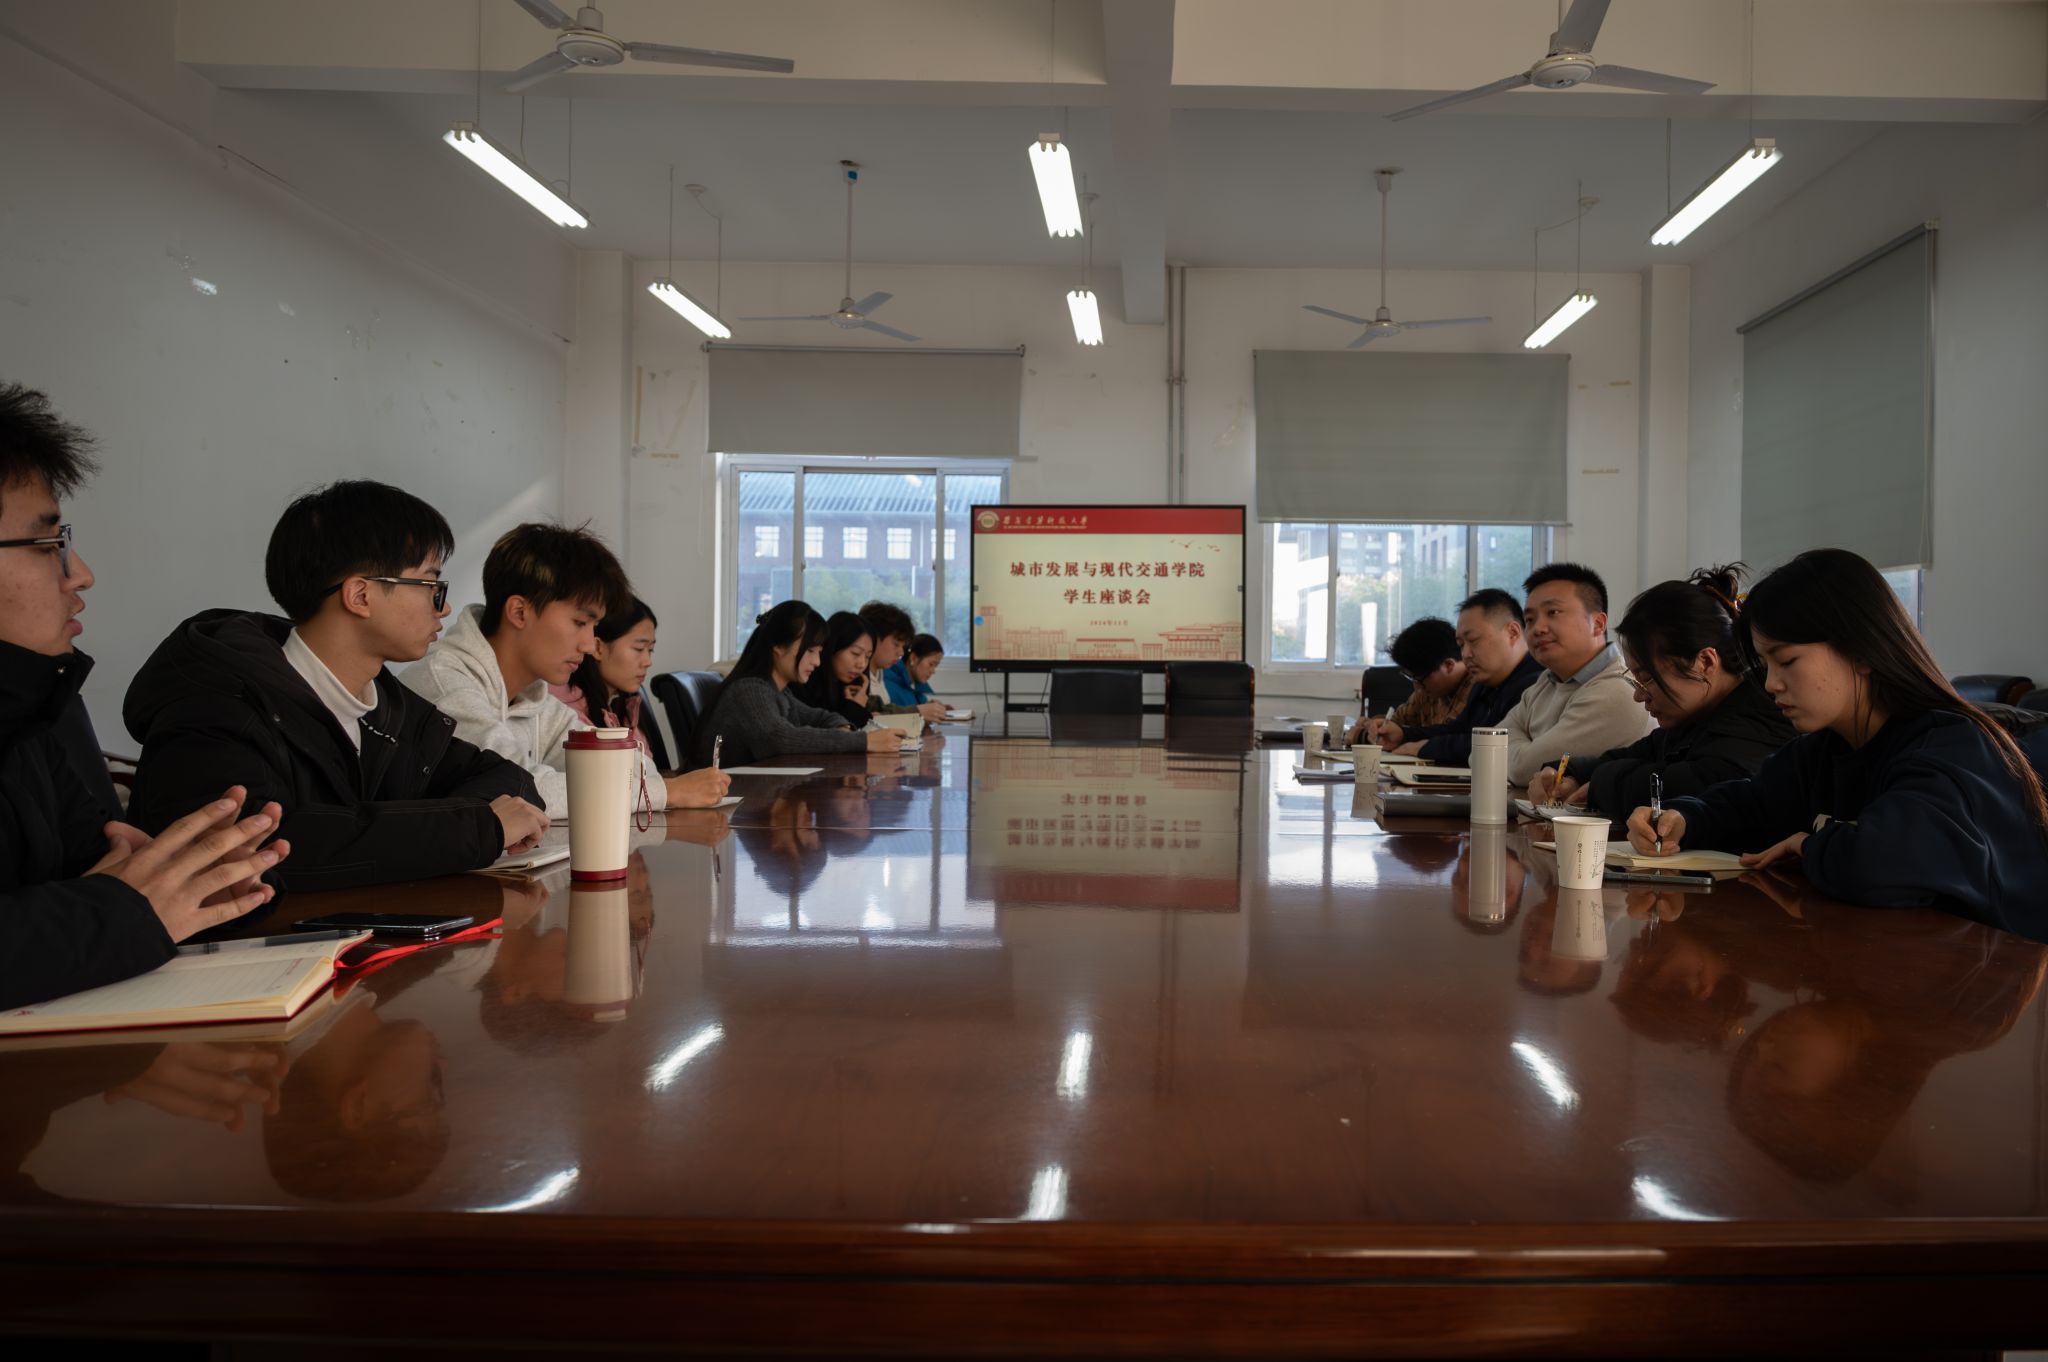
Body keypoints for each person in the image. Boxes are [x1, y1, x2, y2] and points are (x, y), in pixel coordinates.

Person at [0, 384, 291, 1011]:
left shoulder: (35, 706)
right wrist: (124, 910)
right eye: (48, 545)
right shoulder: (223, 683)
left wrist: (196, 883)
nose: (81, 574)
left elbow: (104, 866)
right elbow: (114, 901)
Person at [124, 480, 549, 893]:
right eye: (431, 586)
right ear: (360, 596)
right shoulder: (218, 706)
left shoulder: (387, 709)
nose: (445, 606)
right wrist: (475, 828)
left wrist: (462, 826)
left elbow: (509, 779)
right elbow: (265, 853)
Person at [1628, 548, 2048, 940]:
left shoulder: (1953, 747)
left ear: (1861, 651)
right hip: (1893, 964)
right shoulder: (1826, 749)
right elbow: (1751, 803)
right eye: (1766, 665)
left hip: (1994, 974)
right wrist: (1684, 819)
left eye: (1787, 661)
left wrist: (1807, 845)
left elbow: (1881, 864)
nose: (1771, 684)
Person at [402, 523, 728, 819]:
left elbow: (633, 764)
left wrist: (649, 787)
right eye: (580, 622)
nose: (588, 644)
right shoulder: (446, 685)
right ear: (519, 611)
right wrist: (667, 792)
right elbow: (519, 790)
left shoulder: (533, 698)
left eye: (594, 626)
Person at [1526, 565, 1795, 816]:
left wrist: (1600, 784)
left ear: (1705, 662)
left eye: (1647, 679)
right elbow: (1635, 755)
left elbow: (1692, 785)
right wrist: (1572, 773)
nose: (1638, 695)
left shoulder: (1760, 719)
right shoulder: (1694, 717)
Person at [691, 601, 901, 769]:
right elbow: (779, 739)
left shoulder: (779, 691)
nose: (817, 662)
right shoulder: (749, 690)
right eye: (810, 651)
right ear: (778, 646)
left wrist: (843, 728)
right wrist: (864, 742)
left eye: (819, 652)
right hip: (717, 801)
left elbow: (821, 717)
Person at [1501, 563, 1654, 786]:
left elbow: (1524, 770)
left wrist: (1518, 746)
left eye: (1553, 612)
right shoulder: (1548, 680)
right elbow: (1482, 750)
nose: (1538, 628)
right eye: (1530, 619)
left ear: (1598, 624)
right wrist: (1521, 751)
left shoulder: (1618, 691)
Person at [1365, 590, 1542, 764]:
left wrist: (1426, 748)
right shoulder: (1484, 684)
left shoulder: (1535, 684)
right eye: (1461, 645)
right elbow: (1459, 729)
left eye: (1473, 641)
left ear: (1513, 632)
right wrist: (1404, 735)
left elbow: (1497, 744)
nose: (1465, 654)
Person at [551, 595, 665, 772]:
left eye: (650, 650)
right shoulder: (565, 710)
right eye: (638, 648)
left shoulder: (624, 703)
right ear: (597, 648)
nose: (647, 661)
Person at [1348, 617, 1470, 744]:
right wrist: (1372, 725)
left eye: (1420, 679)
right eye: (1411, 678)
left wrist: (1364, 736)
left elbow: (1452, 740)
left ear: (1448, 665)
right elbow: (1396, 722)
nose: (1417, 688)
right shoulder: (1427, 691)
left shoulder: (1475, 688)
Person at [857, 600, 947, 723]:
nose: (901, 653)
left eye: (902, 646)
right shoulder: (857, 675)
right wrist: (918, 712)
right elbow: (871, 719)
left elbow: (881, 713)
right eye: (896, 644)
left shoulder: (879, 672)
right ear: (874, 637)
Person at [791, 610, 877, 728]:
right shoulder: (803, 683)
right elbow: (827, 736)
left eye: (867, 656)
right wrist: (855, 707)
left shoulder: (853, 687)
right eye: (855, 653)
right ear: (833, 647)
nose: (862, 664)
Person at [884, 632, 944, 709]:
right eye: (931, 664)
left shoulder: (916, 689)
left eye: (936, 666)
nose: (933, 671)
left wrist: (930, 707)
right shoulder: (889, 686)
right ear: (913, 658)